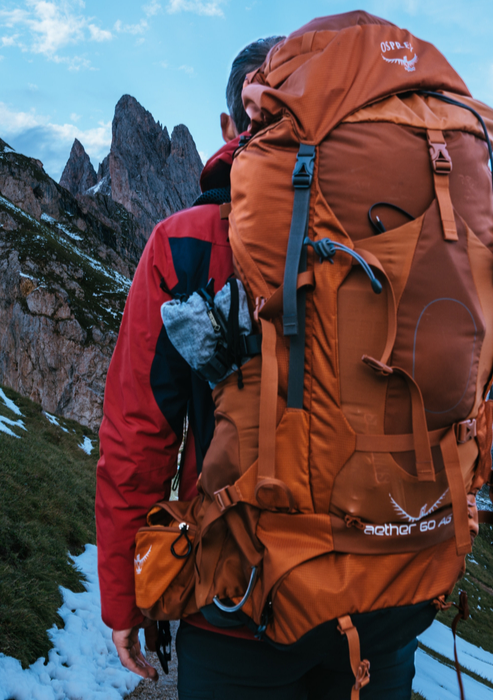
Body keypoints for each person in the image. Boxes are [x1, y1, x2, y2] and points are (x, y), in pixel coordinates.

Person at [96, 32, 441, 699]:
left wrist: (125, 596)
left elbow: (139, 435)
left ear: (232, 125)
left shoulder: (188, 241)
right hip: (385, 592)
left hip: (238, 603)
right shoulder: (409, 225)